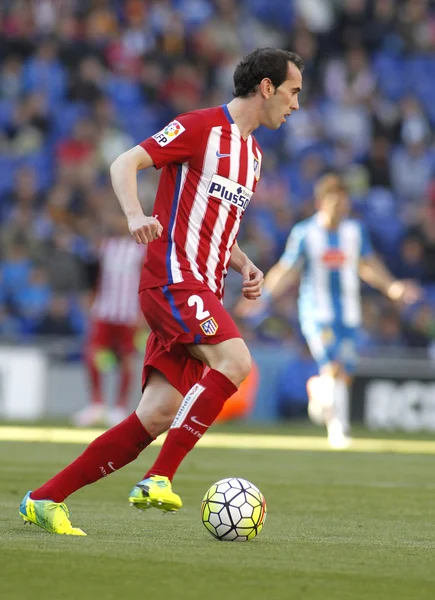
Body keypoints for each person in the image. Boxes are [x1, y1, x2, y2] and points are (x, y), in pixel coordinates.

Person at [19, 47, 304, 535]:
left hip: (202, 286)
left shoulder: (253, 156)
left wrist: (243, 263)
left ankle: (44, 499)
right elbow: (123, 163)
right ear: (266, 87)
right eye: (294, 91)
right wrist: (135, 215)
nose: (297, 104)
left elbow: (216, 227)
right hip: (173, 278)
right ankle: (158, 478)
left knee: (155, 415)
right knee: (235, 362)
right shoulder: (199, 127)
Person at [237, 173, 420, 449]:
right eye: (334, 202)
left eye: (343, 203)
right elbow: (287, 269)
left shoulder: (354, 232)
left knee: (344, 372)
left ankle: (320, 392)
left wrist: (391, 287)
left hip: (348, 313)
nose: (339, 208)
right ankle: (339, 430)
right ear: (321, 202)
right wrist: (265, 296)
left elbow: (367, 264)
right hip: (316, 312)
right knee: (332, 365)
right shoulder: (305, 233)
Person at [73, 211, 145, 428]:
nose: (119, 222)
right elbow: (95, 277)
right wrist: (91, 300)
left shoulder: (141, 249)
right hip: (104, 311)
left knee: (126, 359)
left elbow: (146, 282)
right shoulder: (105, 247)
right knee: (92, 354)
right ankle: (97, 405)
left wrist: (143, 313)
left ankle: (120, 408)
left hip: (129, 313)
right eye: (117, 217)